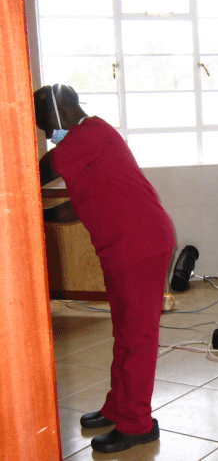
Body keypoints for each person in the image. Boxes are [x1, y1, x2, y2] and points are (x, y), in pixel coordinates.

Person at [34, 84, 175, 453]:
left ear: (61, 111)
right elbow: (76, 206)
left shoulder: (89, 133)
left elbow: (39, 171)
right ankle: (118, 408)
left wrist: (14, 190)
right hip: (122, 247)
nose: (46, 134)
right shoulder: (86, 144)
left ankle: (137, 424)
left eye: (44, 124)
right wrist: (37, 215)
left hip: (140, 245)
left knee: (138, 337)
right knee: (125, 333)